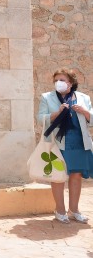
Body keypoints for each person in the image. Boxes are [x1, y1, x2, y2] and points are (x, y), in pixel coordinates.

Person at [37, 68, 93, 224]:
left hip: (79, 142)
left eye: (62, 80)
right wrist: (56, 113)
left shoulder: (83, 98)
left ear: (71, 82)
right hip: (58, 143)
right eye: (56, 80)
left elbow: (92, 119)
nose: (58, 83)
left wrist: (84, 111)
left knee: (76, 176)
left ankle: (74, 210)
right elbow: (40, 118)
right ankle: (60, 210)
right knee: (58, 177)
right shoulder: (47, 98)